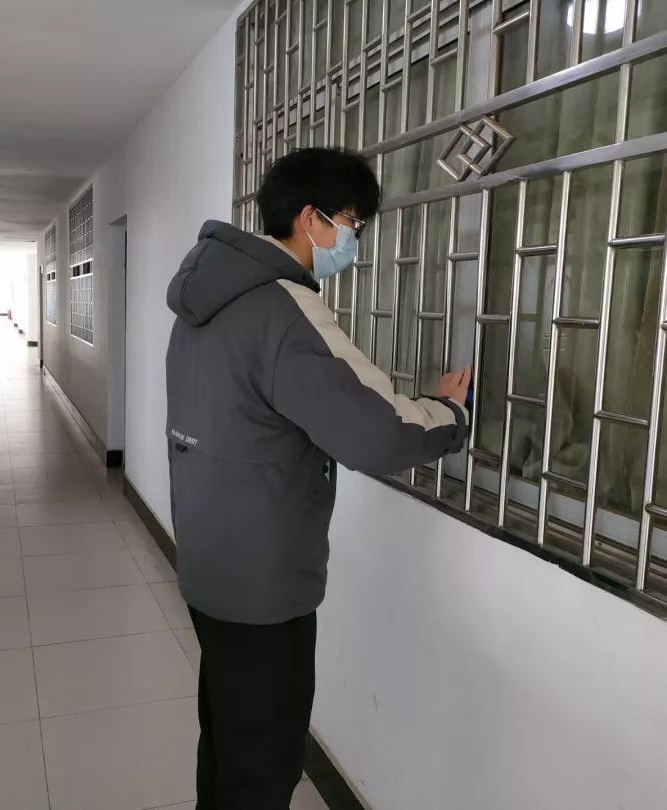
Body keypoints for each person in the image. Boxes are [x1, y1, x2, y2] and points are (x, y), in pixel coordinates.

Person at [165, 147, 470, 809]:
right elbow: (377, 432)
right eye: (352, 223)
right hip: (263, 581)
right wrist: (449, 413)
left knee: (227, 736)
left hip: (209, 559)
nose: (353, 239)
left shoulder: (202, 301)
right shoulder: (283, 309)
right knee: (264, 759)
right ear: (311, 219)